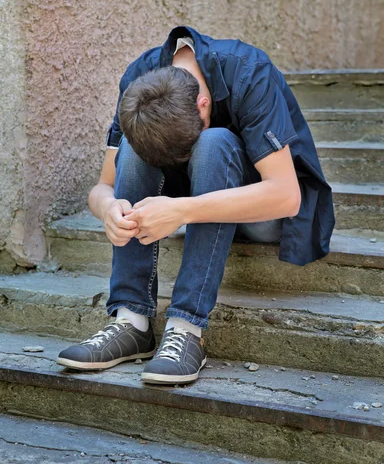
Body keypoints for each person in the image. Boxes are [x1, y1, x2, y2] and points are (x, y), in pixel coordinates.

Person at [57, 26, 335, 384]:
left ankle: (186, 328)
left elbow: (286, 195)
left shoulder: (248, 71)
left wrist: (184, 210)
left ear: (204, 103)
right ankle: (131, 322)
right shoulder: (139, 82)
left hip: (269, 214)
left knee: (214, 143)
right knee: (132, 147)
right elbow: (102, 187)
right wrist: (108, 208)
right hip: (194, 204)